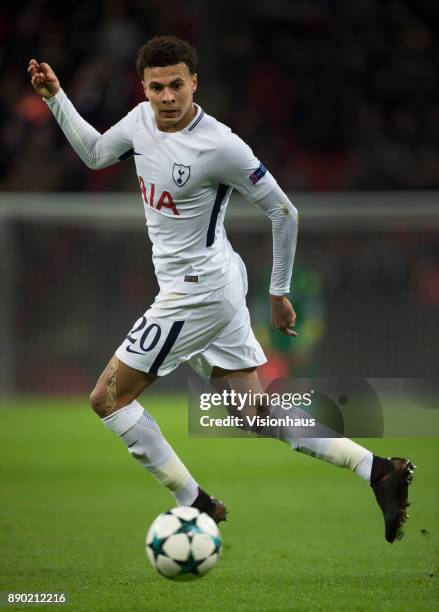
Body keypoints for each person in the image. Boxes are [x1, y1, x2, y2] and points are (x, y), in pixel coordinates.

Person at [28, 35, 415, 543]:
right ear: (143, 88)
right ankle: (378, 470)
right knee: (252, 411)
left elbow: (283, 210)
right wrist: (57, 98)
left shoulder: (221, 145)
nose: (167, 97)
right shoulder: (140, 121)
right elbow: (98, 153)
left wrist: (279, 293)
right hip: (209, 280)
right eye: (156, 87)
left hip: (199, 292)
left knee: (108, 398)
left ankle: (197, 504)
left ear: (194, 83)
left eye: (176, 86)